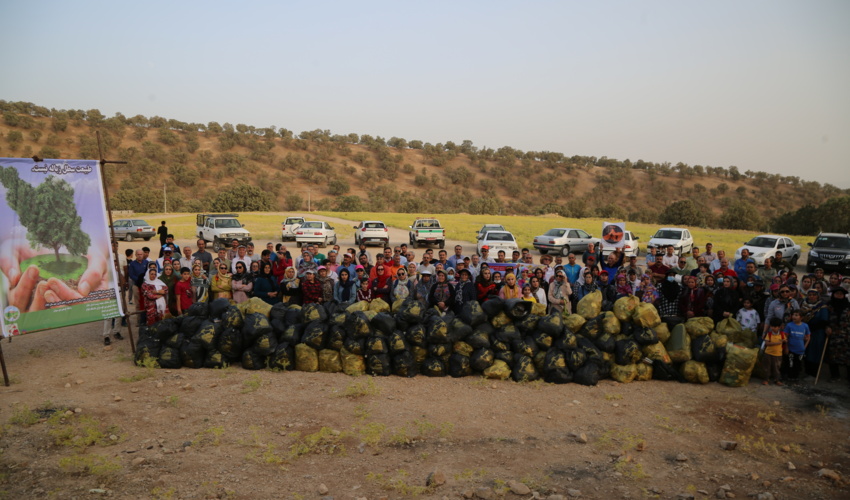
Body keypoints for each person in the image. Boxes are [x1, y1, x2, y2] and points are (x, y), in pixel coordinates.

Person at [826, 287, 850, 382]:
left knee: (848, 355)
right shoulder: (829, 306)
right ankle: (835, 376)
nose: (839, 295)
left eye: (841, 294)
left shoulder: (848, 306)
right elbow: (825, 318)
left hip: (847, 335)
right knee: (832, 355)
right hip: (833, 334)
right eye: (837, 293)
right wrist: (826, 327)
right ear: (833, 295)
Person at [784, 310, 810, 381]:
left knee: (798, 364)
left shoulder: (805, 326)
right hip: (791, 349)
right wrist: (786, 347)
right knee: (790, 364)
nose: (794, 317)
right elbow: (785, 337)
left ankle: (795, 377)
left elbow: (808, 337)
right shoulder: (789, 325)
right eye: (793, 315)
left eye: (796, 315)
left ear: (801, 317)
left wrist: (804, 347)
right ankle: (789, 377)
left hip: (800, 350)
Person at [762, 317, 787, 386]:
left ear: (779, 327)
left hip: (778, 354)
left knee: (777, 368)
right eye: (772, 326)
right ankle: (766, 379)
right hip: (768, 353)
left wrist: (784, 341)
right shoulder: (769, 334)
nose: (773, 328)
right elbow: (767, 343)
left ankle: (777, 380)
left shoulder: (782, 334)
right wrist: (777, 343)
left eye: (775, 327)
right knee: (767, 367)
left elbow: (785, 341)